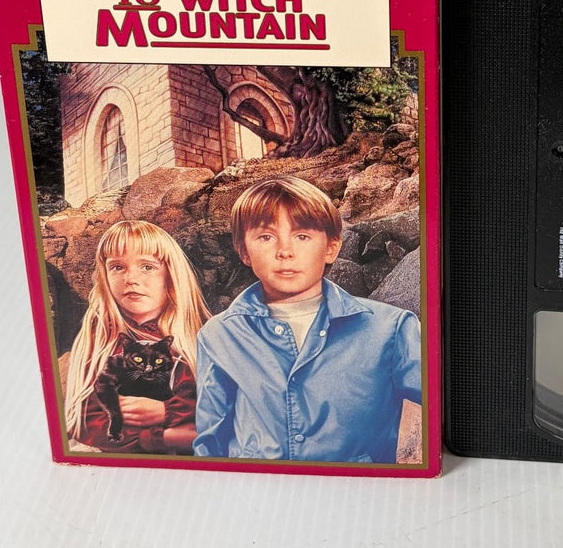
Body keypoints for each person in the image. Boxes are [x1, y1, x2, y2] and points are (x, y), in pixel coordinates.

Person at [193, 176, 422, 463]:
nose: (285, 252)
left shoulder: (392, 328)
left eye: (302, 236)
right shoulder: (218, 335)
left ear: (331, 247)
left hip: (356, 487)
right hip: (256, 486)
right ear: (243, 251)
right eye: (266, 237)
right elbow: (209, 444)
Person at [64, 220, 210, 454]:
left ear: (171, 274)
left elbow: (223, 412)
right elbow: (86, 422)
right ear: (104, 275)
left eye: (147, 267)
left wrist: (167, 411)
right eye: (117, 267)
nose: (131, 278)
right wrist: (159, 438)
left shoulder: (203, 338)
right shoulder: (100, 341)